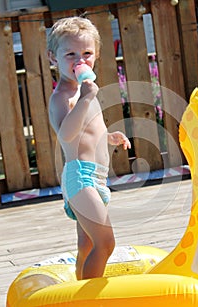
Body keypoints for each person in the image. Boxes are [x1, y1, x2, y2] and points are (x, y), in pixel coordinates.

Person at [47, 16, 131, 280]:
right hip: (80, 178)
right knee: (106, 243)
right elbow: (66, 134)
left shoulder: (85, 91)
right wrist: (84, 99)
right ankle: (91, 298)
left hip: (97, 178)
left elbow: (90, 129)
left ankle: (79, 292)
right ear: (53, 58)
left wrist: (109, 136)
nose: (79, 60)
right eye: (70, 54)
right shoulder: (63, 97)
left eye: (86, 53)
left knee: (87, 246)